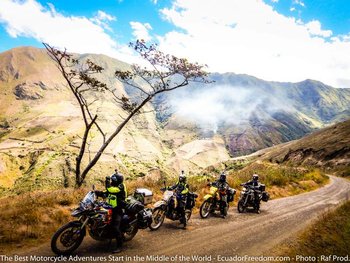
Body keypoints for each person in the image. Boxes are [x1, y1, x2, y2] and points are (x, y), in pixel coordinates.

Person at [95, 169, 127, 253]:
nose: (112, 181)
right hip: (110, 207)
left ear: (117, 181)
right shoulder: (113, 187)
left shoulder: (121, 187)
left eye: (113, 180)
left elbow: (110, 190)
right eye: (111, 180)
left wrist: (107, 182)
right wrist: (96, 192)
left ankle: (119, 246)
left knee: (115, 227)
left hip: (118, 209)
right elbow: (105, 192)